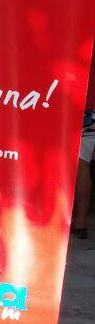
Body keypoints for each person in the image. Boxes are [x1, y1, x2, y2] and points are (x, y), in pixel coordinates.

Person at [71, 51, 95, 239]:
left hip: (78, 106)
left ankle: (77, 222)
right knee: (82, 164)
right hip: (91, 112)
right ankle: (80, 222)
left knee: (79, 164)